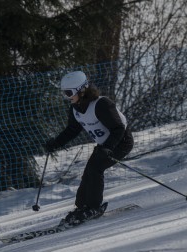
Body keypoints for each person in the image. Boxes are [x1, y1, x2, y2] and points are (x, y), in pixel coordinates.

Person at [45, 71, 134, 225]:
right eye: (64, 93)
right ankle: (81, 208)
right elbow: (72, 130)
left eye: (68, 93)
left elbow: (119, 128)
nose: (67, 97)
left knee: (95, 169)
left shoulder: (102, 104)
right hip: (104, 145)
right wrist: (55, 143)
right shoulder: (76, 109)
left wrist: (108, 147)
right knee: (88, 173)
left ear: (82, 90)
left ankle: (93, 207)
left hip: (121, 142)